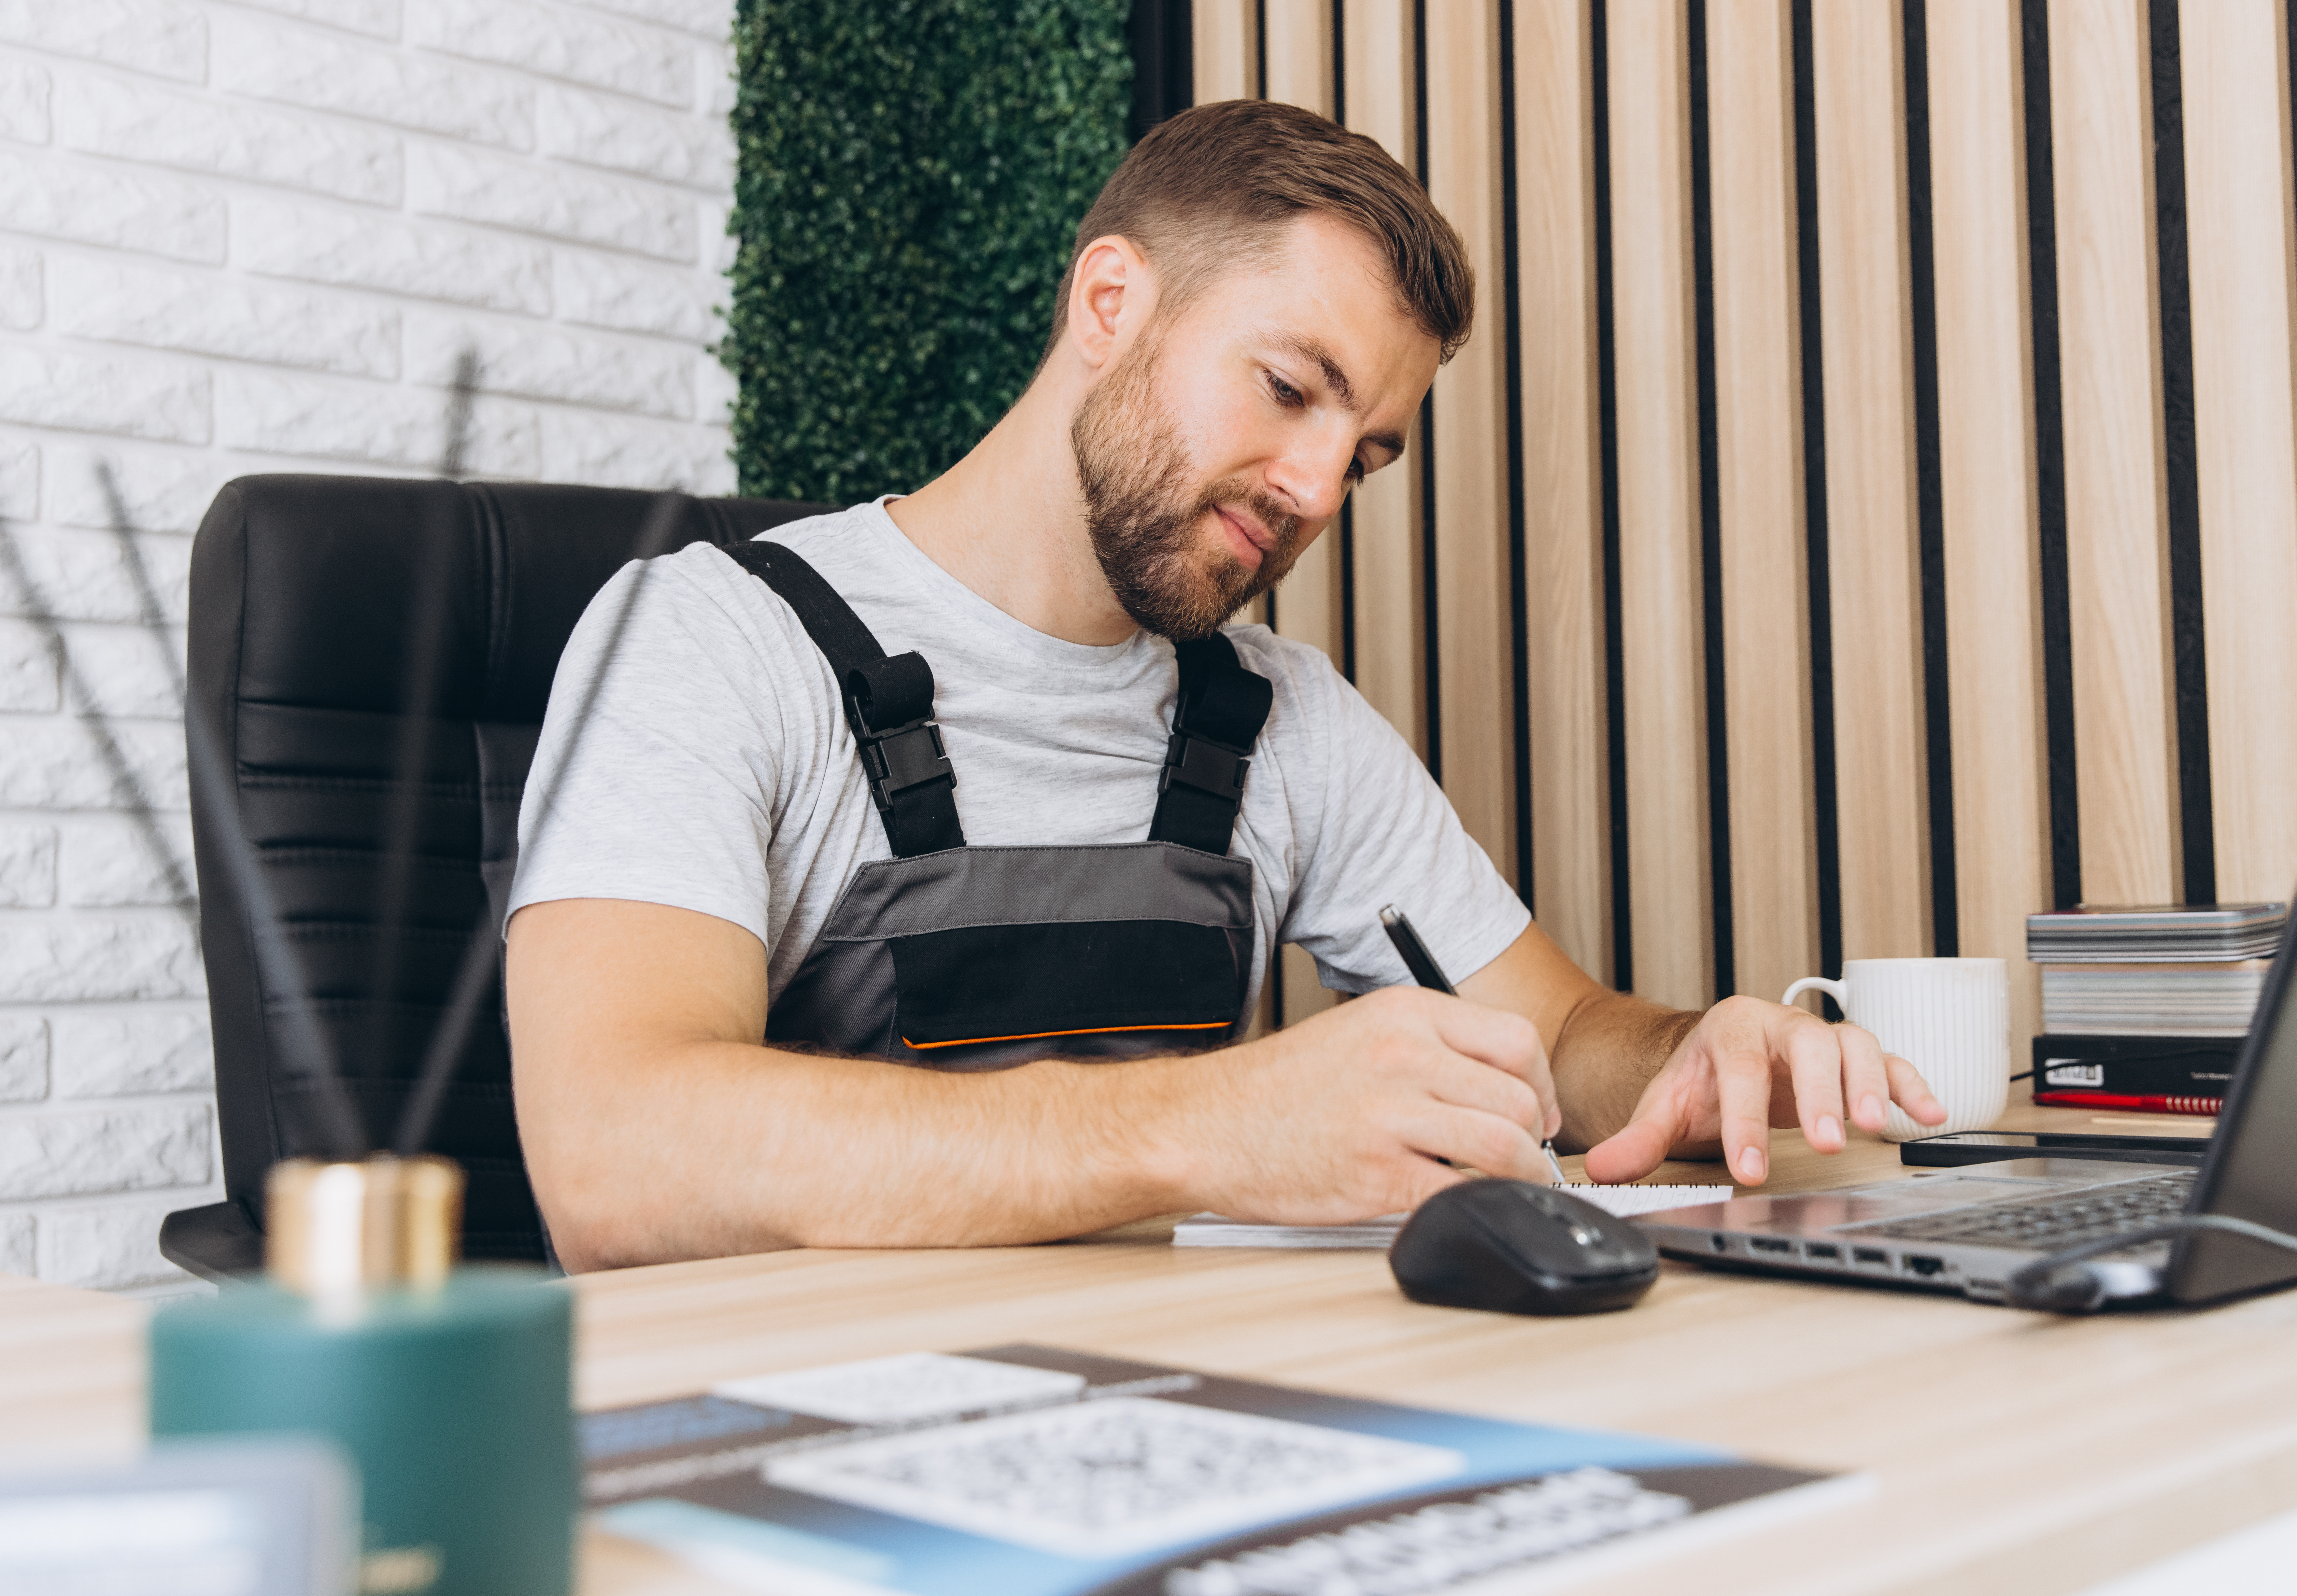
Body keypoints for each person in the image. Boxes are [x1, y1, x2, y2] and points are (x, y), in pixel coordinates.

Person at [505, 99, 1944, 1272]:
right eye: (1288, 386)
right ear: (1111, 301)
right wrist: (1216, 1123)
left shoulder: (1281, 715)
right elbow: (614, 1156)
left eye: (1366, 453)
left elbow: (1559, 1040)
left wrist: (1699, 1055)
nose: (1318, 486)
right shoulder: (712, 639)